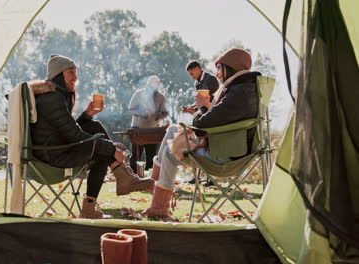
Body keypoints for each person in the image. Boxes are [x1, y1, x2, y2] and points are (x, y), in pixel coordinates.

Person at [143, 48, 260, 221]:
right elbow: (216, 120)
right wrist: (205, 108)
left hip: (225, 154)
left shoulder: (239, 92)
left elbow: (202, 124)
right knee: (172, 130)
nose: (218, 74)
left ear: (232, 68)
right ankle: (154, 185)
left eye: (220, 68)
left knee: (169, 152)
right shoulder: (243, 89)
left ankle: (159, 208)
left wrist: (202, 106)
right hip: (229, 145)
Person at [30, 54, 154, 219]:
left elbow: (67, 130)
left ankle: (122, 177)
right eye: (71, 72)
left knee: (94, 127)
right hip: (52, 158)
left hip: (53, 150)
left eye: (75, 72)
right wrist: (111, 149)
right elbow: (73, 135)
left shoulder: (52, 96)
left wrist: (87, 115)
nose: (76, 77)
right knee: (102, 153)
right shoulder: (52, 99)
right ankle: (118, 181)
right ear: (59, 74)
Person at [128, 76, 169, 173]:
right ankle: (133, 176)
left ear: (158, 85)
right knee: (135, 156)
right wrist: (143, 113)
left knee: (152, 157)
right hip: (137, 129)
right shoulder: (138, 94)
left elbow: (165, 112)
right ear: (147, 84)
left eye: (154, 85)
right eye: (150, 85)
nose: (151, 87)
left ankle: (149, 179)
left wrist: (158, 116)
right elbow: (131, 110)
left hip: (153, 131)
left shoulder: (161, 97)